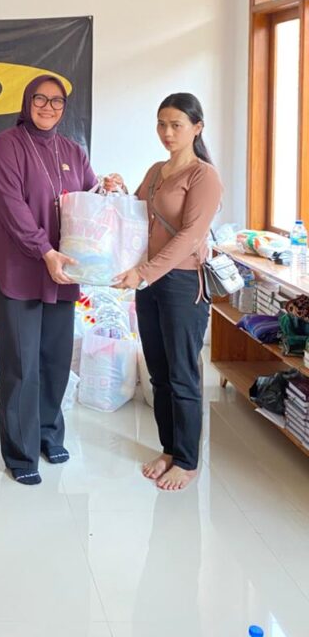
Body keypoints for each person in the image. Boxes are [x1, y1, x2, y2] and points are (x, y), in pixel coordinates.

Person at [0, 74, 123, 485]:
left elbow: (87, 201)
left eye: (56, 101)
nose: (48, 107)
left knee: (56, 360)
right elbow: (12, 209)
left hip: (63, 271)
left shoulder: (73, 151)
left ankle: (48, 433)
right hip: (20, 270)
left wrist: (107, 190)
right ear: (27, 102)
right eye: (40, 99)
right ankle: (20, 452)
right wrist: (44, 251)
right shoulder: (5, 146)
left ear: (64, 107)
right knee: (21, 364)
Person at [113, 93, 222, 492]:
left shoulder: (204, 176)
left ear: (197, 127)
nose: (167, 132)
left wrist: (143, 272)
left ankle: (187, 461)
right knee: (158, 373)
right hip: (151, 283)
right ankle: (169, 450)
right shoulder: (157, 170)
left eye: (177, 125)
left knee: (182, 374)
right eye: (162, 124)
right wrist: (120, 190)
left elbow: (190, 237)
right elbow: (137, 215)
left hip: (182, 283)